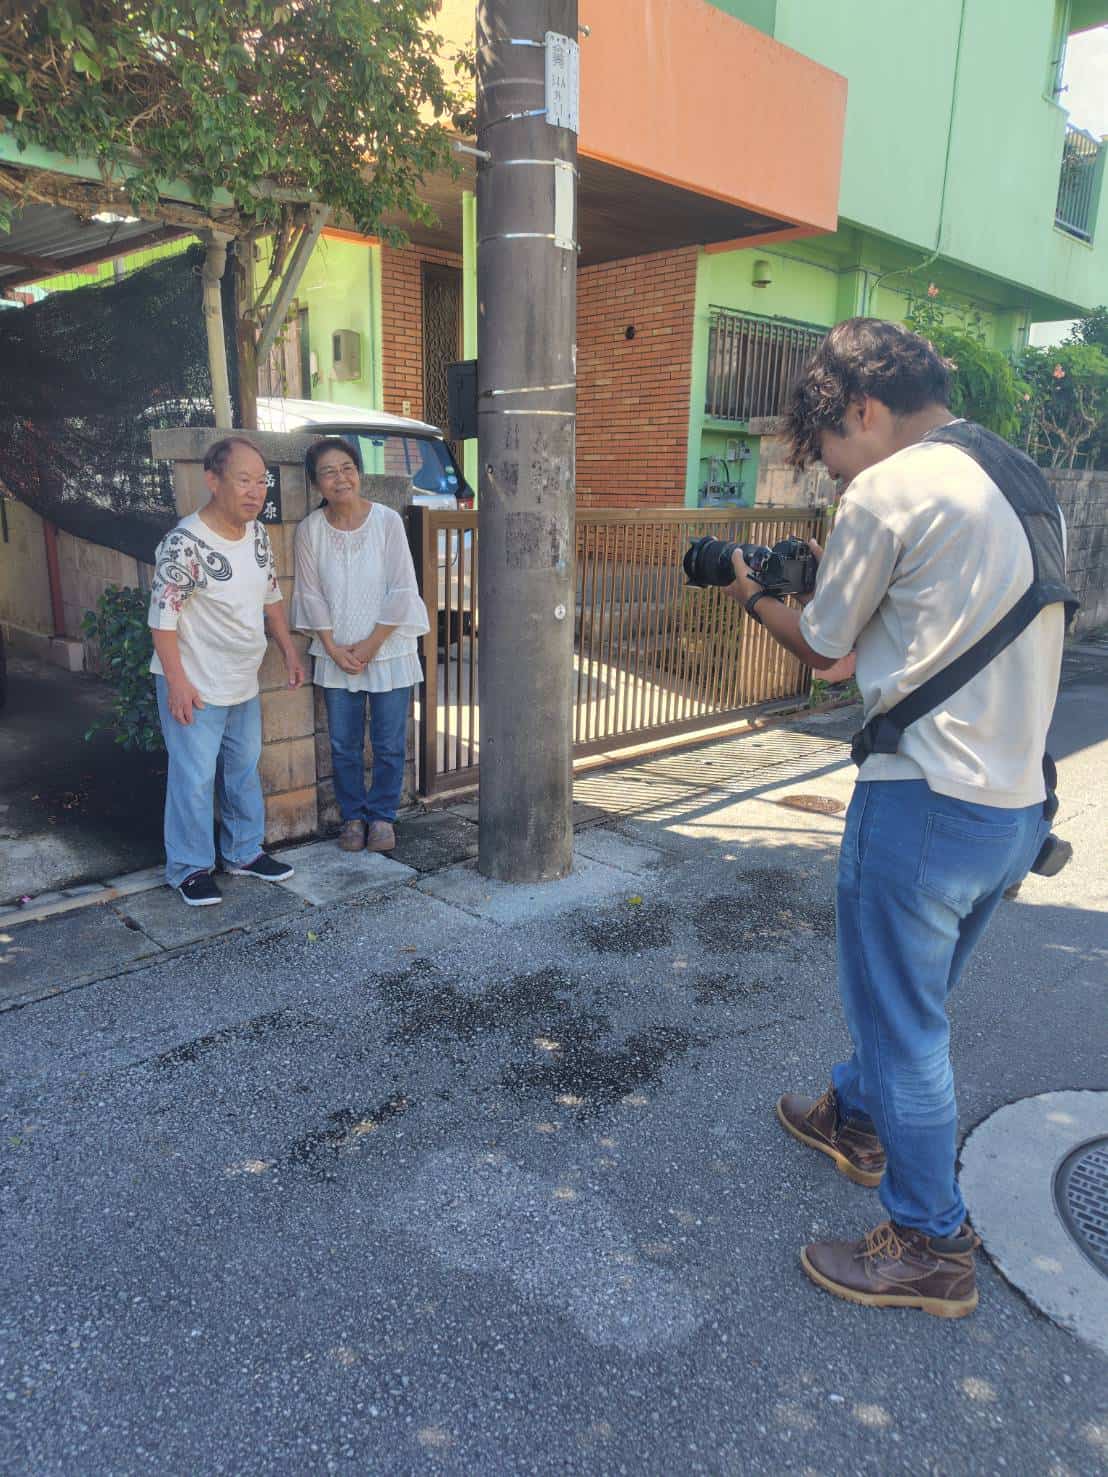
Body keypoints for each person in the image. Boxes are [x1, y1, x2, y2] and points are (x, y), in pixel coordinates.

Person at [723, 318, 1071, 1318]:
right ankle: (854, 1116)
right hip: (1011, 806)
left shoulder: (891, 486)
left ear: (862, 412)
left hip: (922, 801)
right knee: (906, 1008)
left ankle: (927, 1243)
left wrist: (754, 595)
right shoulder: (1017, 475)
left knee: (909, 1028)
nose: (831, 476)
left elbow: (827, 648)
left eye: (827, 452)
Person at [148, 436, 305, 907]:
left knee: (241, 771)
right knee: (192, 778)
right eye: (244, 480)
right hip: (194, 683)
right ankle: (189, 868)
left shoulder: (256, 533)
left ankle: (243, 852)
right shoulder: (185, 542)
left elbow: (270, 595)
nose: (256, 491)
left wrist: (289, 651)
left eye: (262, 481)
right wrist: (176, 680)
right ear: (212, 481)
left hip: (242, 681)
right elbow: (162, 617)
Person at [292, 437, 429, 853]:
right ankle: (353, 816)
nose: (340, 478)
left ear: (358, 472)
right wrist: (333, 648)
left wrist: (370, 645)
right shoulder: (310, 530)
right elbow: (310, 594)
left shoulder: (387, 521)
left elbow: (403, 588)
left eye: (346, 468)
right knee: (343, 744)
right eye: (329, 472)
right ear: (316, 482)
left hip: (388, 649)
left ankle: (383, 817)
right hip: (336, 652)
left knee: (389, 742)